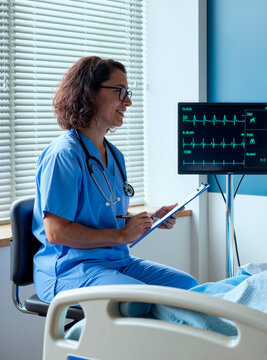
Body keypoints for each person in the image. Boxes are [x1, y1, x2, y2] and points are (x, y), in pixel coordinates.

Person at [32, 56, 198, 303]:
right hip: (71, 270)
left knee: (189, 288)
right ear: (89, 93)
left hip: (116, 262)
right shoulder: (64, 155)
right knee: (137, 302)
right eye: (120, 92)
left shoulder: (115, 156)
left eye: (127, 92)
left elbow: (107, 215)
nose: (128, 102)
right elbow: (56, 232)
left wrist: (151, 218)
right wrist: (121, 237)